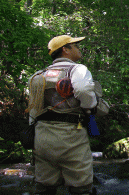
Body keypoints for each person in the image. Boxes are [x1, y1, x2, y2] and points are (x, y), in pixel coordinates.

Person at [27, 35, 98, 195]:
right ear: (65, 50)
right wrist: (90, 107)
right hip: (71, 136)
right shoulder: (78, 69)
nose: (79, 48)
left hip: (42, 137)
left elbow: (33, 111)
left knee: (45, 187)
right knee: (81, 188)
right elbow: (84, 90)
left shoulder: (39, 75)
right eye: (75, 45)